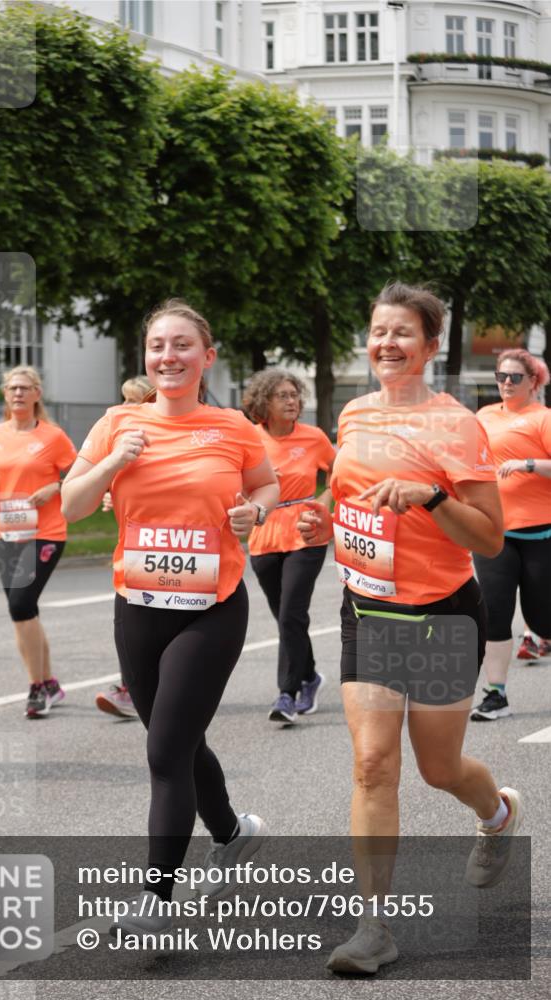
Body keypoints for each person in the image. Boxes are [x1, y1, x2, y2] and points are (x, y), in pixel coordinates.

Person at [299, 282, 521, 975]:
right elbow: (348, 499)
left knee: (437, 768)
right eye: (377, 332)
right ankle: (374, 928)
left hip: (438, 615)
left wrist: (431, 498)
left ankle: (495, 813)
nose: (386, 344)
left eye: (402, 333)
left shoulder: (457, 424)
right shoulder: (354, 413)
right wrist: (320, 520)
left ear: (428, 347)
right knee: (371, 764)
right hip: (367, 609)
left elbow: (487, 540)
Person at [61, 299, 279, 937]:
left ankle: (157, 899)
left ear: (206, 357)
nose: (168, 357)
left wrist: (256, 514)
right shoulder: (116, 423)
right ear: (146, 357)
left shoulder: (233, 426)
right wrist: (112, 462)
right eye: (158, 346)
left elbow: (265, 486)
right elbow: (72, 506)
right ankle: (233, 833)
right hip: (138, 607)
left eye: (182, 345)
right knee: (180, 741)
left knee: (164, 750)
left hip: (211, 608)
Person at [0, 366, 76, 718]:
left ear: (36, 394)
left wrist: (55, 487)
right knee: (24, 611)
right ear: (5, 394)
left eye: (24, 388)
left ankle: (36, 690)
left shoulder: (53, 437)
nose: (17, 394)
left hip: (44, 533)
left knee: (20, 603)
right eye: (12, 388)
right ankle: (50, 684)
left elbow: (78, 474)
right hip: (4, 533)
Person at [242, 369, 335, 724]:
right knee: (286, 618)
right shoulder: (248, 438)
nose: (292, 401)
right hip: (264, 535)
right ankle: (310, 676)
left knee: (291, 614)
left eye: (295, 394)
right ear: (264, 402)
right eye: (283, 395)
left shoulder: (313, 437)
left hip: (305, 530)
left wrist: (324, 501)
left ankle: (288, 692)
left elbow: (340, 472)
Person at [470, 349, 551, 721]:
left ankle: (540, 635)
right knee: (495, 614)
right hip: (493, 531)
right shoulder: (484, 416)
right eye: (501, 375)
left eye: (515, 377)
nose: (505, 382)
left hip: (540, 534)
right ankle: (495, 694)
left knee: (542, 618)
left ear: (533, 382)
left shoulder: (543, 419)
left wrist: (530, 464)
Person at [95, 375, 155, 720]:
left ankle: (137, 687)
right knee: (131, 619)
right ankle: (131, 686)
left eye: (134, 400)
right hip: (135, 547)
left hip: (174, 546)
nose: (126, 407)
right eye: (124, 400)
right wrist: (108, 493)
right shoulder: (119, 431)